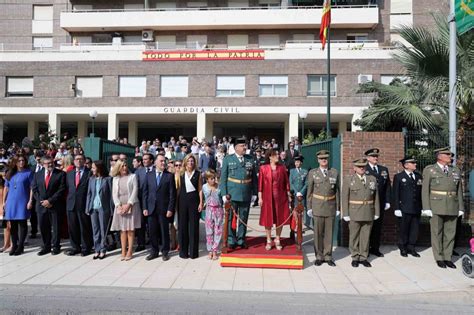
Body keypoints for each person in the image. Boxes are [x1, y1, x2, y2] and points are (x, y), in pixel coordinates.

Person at [422, 147, 464, 269]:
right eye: (447, 154)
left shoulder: (455, 170)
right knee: (437, 232)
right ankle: (439, 257)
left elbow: (459, 191)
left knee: (450, 233)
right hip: (436, 205)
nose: (450, 156)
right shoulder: (430, 170)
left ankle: (447, 257)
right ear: (439, 156)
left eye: (450, 155)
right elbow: (425, 190)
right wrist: (426, 208)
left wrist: (460, 207)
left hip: (452, 205)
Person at [219, 137, 257, 249]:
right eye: (242, 146)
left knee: (243, 217)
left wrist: (254, 192)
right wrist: (223, 194)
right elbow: (223, 178)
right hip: (232, 193)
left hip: (246, 192)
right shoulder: (227, 159)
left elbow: (254, 177)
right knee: (230, 217)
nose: (244, 147)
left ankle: (241, 239)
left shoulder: (250, 159)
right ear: (236, 148)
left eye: (245, 145)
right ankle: (231, 239)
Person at [342, 158, 380, 268]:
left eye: (363, 166)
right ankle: (355, 256)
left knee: (365, 236)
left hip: (368, 211)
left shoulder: (372, 179)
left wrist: (377, 211)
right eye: (359, 166)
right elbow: (345, 197)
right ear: (354, 168)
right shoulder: (349, 179)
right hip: (354, 212)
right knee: (354, 236)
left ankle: (363, 257)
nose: (362, 168)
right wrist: (346, 214)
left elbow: (375, 197)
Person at [306, 150, 339, 266]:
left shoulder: (334, 172)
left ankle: (328, 256)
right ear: (318, 160)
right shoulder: (313, 173)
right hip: (318, 206)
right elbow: (309, 192)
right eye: (321, 159)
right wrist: (309, 207)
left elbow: (337, 191)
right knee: (318, 233)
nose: (324, 160)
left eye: (325, 158)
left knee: (329, 233)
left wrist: (338, 207)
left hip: (330, 206)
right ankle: (319, 256)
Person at [143, 154, 176, 261]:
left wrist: (170, 209)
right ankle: (154, 251)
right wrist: (145, 207)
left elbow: (172, 194)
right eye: (161, 161)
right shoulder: (148, 175)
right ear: (155, 162)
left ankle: (165, 252)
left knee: (164, 231)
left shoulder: (169, 176)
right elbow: (145, 193)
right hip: (151, 208)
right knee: (152, 231)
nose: (163, 163)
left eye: (164, 161)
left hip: (164, 209)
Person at [31, 155, 66, 255]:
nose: (50, 164)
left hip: (55, 205)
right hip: (41, 206)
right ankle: (46, 246)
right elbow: (35, 189)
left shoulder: (60, 174)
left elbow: (61, 189)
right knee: (43, 227)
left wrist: (50, 201)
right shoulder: (37, 174)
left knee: (56, 227)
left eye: (52, 162)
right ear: (42, 164)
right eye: (48, 163)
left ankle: (56, 246)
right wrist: (42, 201)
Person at [258, 149, 290, 251]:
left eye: (277, 154)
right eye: (275, 155)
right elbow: (260, 185)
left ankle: (277, 239)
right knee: (268, 219)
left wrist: (288, 194)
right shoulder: (263, 168)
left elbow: (286, 183)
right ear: (270, 157)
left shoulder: (282, 168)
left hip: (280, 197)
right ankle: (268, 240)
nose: (277, 156)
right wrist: (260, 198)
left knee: (279, 218)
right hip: (267, 198)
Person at [3, 155, 34, 256]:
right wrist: (4, 201)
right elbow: (6, 188)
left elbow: (31, 188)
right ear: (15, 162)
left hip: (22, 201)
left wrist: (30, 201)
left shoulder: (28, 173)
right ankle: (14, 245)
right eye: (19, 160)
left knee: (22, 223)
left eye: (23, 160)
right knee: (13, 225)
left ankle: (21, 246)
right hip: (11, 201)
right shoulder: (10, 173)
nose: (21, 162)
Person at [110, 160, 141, 261]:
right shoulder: (115, 179)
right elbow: (114, 193)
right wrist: (118, 205)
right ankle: (123, 250)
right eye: (122, 166)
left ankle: (130, 251)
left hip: (131, 204)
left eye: (125, 165)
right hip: (120, 205)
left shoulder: (133, 176)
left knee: (130, 230)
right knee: (122, 230)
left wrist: (129, 204)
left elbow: (135, 190)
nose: (124, 168)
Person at [392, 157, 422, 258]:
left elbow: (421, 193)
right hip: (404, 208)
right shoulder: (399, 177)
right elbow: (395, 193)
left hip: (416, 208)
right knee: (404, 229)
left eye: (415, 163)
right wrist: (396, 208)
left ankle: (411, 247)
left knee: (415, 229)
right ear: (406, 165)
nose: (415, 164)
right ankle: (403, 247)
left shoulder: (418, 176)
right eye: (412, 163)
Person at [364, 148, 391, 257]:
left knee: (377, 226)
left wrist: (388, 201)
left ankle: (375, 248)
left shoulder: (383, 169)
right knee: (367, 226)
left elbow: (388, 186)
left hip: (380, 202)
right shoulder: (364, 169)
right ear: (367, 158)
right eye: (373, 156)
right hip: (369, 202)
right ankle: (365, 248)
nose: (375, 158)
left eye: (376, 156)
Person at [65, 154, 93, 256]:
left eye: (81, 159)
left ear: (84, 161)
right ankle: (75, 247)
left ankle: (86, 247)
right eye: (77, 159)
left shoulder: (89, 173)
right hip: (71, 204)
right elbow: (68, 188)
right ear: (74, 161)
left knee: (84, 227)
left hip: (83, 204)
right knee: (72, 227)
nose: (79, 161)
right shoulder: (69, 173)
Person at [85, 160, 113, 260]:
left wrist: (111, 210)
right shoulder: (91, 179)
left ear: (99, 168)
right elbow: (89, 194)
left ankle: (102, 249)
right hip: (93, 208)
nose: (92, 169)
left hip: (103, 208)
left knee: (103, 230)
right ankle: (97, 249)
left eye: (93, 168)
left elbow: (111, 196)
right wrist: (87, 207)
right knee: (95, 230)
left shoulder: (108, 179)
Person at [178, 154, 203, 259]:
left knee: (194, 227)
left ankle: (193, 253)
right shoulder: (181, 173)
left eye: (192, 161)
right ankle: (183, 252)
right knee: (182, 226)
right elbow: (178, 189)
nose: (190, 163)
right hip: (182, 201)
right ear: (185, 162)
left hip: (194, 202)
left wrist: (201, 202)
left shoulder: (198, 174)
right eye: (188, 161)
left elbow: (200, 189)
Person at [134, 153, 154, 252]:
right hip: (141, 201)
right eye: (143, 159)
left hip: (153, 201)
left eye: (146, 159)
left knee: (152, 222)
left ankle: (154, 240)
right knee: (141, 223)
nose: (144, 161)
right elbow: (136, 186)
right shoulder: (138, 171)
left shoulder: (155, 170)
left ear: (151, 160)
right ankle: (141, 243)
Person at [202, 170, 224, 260]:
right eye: (211, 178)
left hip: (218, 209)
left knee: (218, 230)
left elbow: (222, 197)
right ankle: (210, 250)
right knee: (209, 230)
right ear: (207, 179)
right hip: (209, 210)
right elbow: (205, 196)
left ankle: (215, 249)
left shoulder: (219, 186)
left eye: (215, 178)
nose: (214, 180)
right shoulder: (204, 187)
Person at [0, 174, 12, 253]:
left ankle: (11, 244)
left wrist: (2, 207)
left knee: (9, 226)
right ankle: (6, 244)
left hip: (6, 206)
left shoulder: (5, 184)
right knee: (5, 226)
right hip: (2, 207)